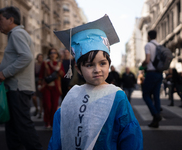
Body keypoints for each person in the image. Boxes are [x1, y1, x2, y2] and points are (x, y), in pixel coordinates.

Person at [48, 15, 143, 149]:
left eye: (102, 63)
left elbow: (130, 137)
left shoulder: (117, 96)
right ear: (78, 69)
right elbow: (58, 136)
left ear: (109, 64)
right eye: (89, 65)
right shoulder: (72, 96)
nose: (97, 70)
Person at [0, 6, 42, 150]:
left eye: (0, 19)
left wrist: (4, 73)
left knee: (23, 127)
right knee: (13, 129)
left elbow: (26, 57)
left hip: (18, 89)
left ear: (11, 20)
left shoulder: (17, 33)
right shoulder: (17, 34)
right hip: (16, 88)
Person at [38, 48, 65, 128]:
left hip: (56, 88)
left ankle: (52, 122)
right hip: (46, 87)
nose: (53, 54)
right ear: (49, 54)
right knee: (47, 105)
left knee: (54, 106)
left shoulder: (59, 63)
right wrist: (39, 84)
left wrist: (59, 70)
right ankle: (47, 121)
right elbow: (41, 75)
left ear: (57, 54)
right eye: (51, 53)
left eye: (54, 53)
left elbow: (63, 75)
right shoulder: (45, 63)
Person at [142, 30, 163, 128]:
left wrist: (143, 64)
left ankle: (156, 114)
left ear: (149, 36)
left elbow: (147, 60)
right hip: (159, 73)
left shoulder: (148, 45)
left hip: (151, 73)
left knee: (146, 94)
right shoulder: (159, 45)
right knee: (156, 96)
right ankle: (156, 122)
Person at [32, 53, 44, 118]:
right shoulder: (35, 65)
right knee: (33, 97)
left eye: (41, 57)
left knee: (41, 98)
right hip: (34, 82)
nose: (40, 59)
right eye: (39, 57)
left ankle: (40, 111)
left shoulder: (44, 64)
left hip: (41, 83)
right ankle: (36, 108)